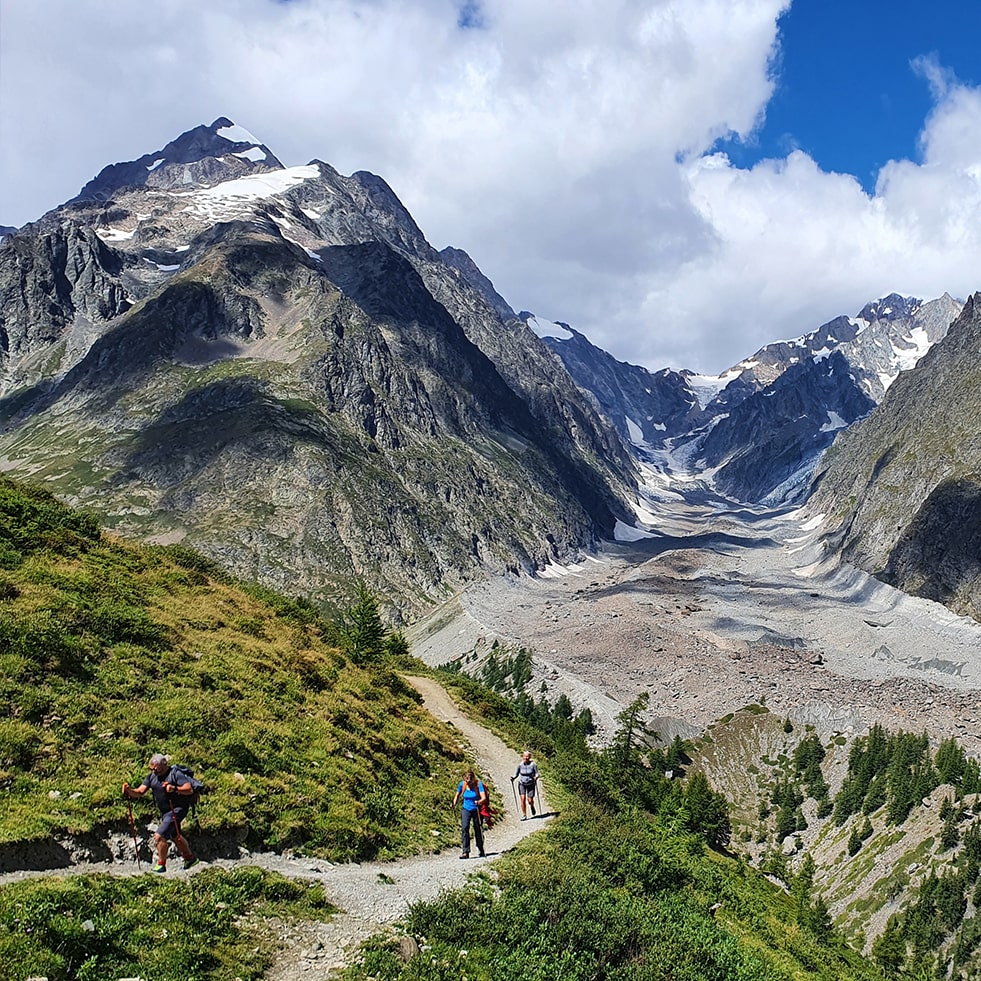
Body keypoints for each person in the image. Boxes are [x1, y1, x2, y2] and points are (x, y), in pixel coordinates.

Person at [123, 753, 199, 873]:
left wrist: (173, 788)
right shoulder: (152, 776)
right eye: (151, 768)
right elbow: (140, 791)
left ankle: (161, 865)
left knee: (159, 836)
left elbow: (188, 789)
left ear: (164, 765)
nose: (154, 771)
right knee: (175, 836)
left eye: (156, 768)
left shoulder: (175, 774)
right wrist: (129, 791)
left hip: (177, 809)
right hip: (165, 811)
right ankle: (190, 859)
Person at [452, 769, 487, 859]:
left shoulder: (478, 785)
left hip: (476, 809)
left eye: (469, 780)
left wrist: (479, 802)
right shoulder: (462, 784)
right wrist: (454, 803)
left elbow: (484, 798)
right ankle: (465, 851)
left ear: (473, 779)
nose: (468, 782)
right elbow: (457, 794)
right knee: (464, 828)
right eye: (466, 779)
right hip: (466, 809)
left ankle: (480, 848)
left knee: (478, 829)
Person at [512, 750, 539, 820]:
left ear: (530, 757)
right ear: (523, 757)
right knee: (523, 799)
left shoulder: (533, 765)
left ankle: (532, 805)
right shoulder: (520, 765)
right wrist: (513, 778)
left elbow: (537, 773)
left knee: (530, 800)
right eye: (525, 756)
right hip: (522, 784)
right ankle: (524, 815)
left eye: (527, 756)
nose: (526, 757)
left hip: (531, 784)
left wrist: (536, 777)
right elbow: (516, 774)